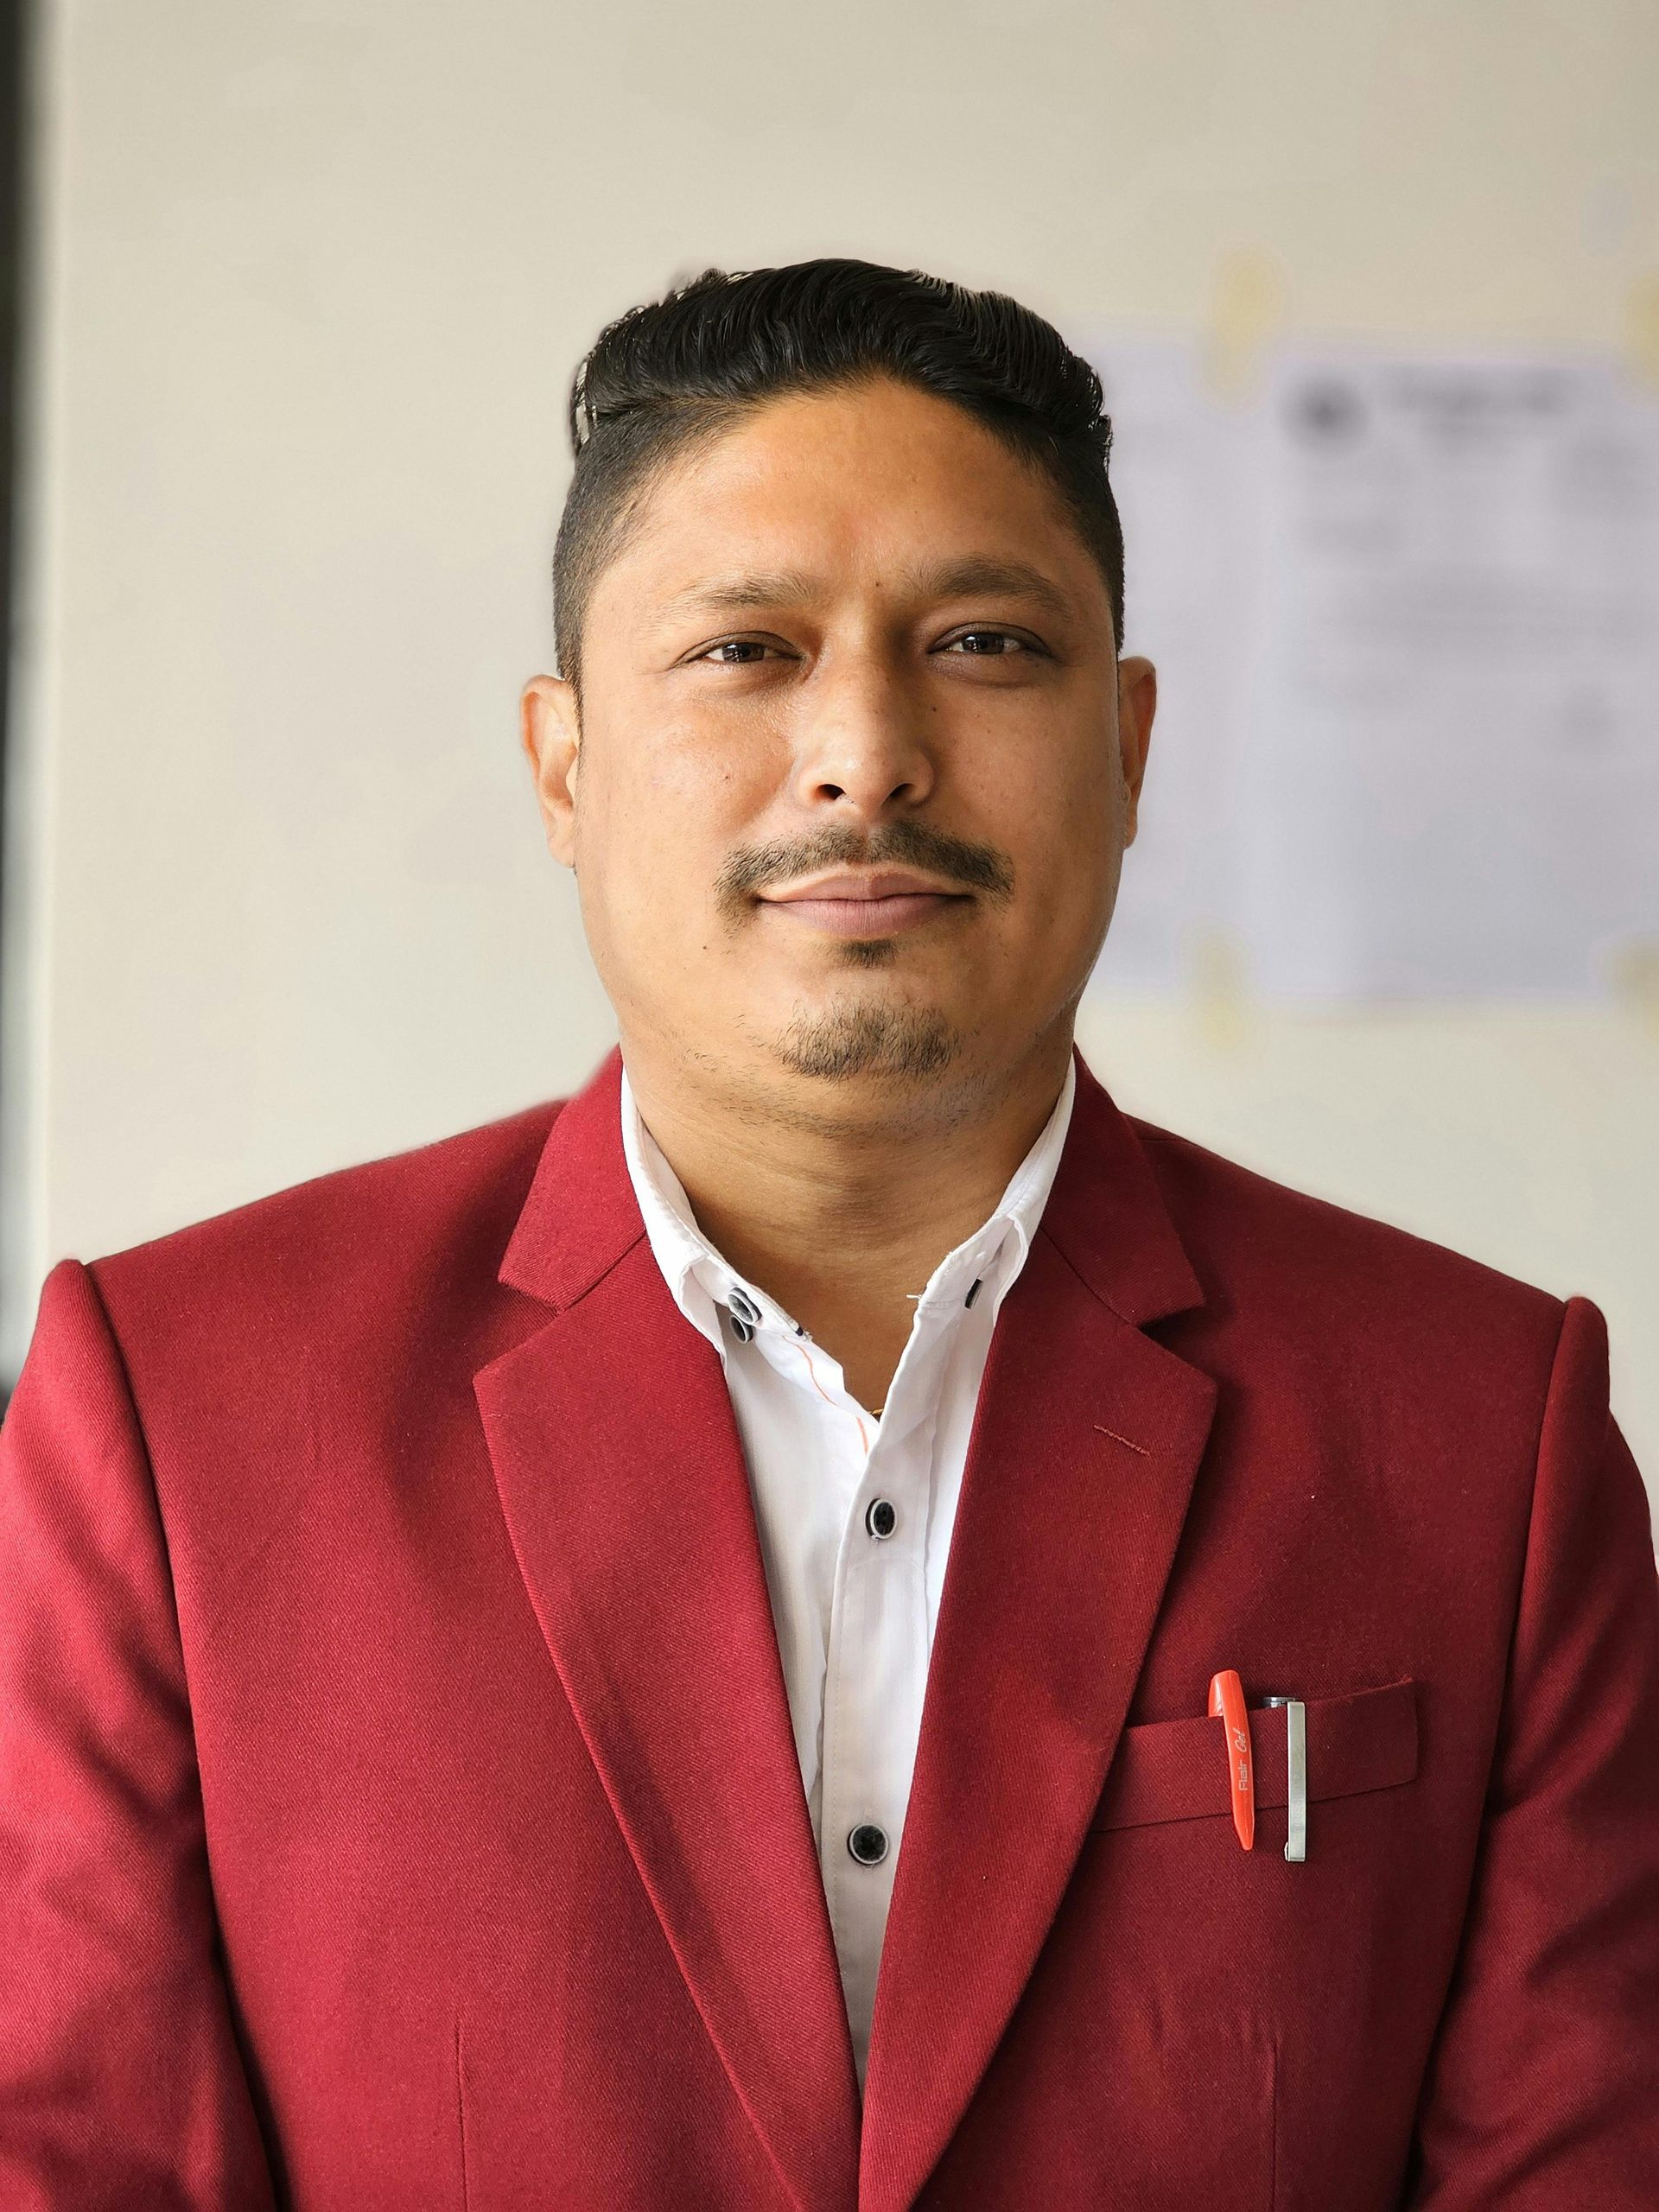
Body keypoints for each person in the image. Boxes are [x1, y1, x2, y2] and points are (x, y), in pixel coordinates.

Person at [2, 258, 1656, 2212]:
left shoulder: (1482, 1429)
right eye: (744, 651)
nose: (866, 747)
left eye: (979, 642)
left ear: (1128, 751)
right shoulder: (184, 1407)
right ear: (562, 762)